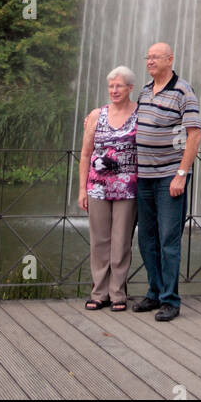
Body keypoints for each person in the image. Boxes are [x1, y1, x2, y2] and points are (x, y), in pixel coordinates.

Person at [132, 42, 201, 321]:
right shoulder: (145, 90)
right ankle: (154, 292)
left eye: (155, 57)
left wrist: (181, 174)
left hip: (169, 177)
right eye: (147, 57)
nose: (149, 61)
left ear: (170, 59)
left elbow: (194, 135)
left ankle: (171, 300)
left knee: (168, 239)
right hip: (144, 176)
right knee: (146, 237)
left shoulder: (183, 90)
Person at [78, 66, 139, 312]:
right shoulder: (96, 115)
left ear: (130, 88)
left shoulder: (140, 114)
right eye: (111, 86)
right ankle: (99, 293)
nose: (114, 90)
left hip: (127, 188)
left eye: (119, 86)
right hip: (97, 188)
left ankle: (118, 293)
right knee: (99, 240)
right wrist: (82, 190)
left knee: (121, 241)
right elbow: (85, 154)